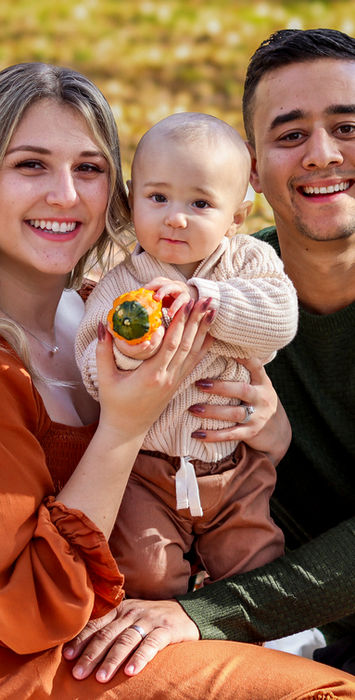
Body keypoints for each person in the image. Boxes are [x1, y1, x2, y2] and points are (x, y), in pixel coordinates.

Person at [2, 60, 350, 700]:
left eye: (88, 168)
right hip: (62, 643)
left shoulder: (222, 276)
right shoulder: (109, 304)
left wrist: (271, 435)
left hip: (214, 526)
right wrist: (125, 417)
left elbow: (272, 316)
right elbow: (27, 612)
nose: (66, 194)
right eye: (29, 164)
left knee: (255, 558)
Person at [75, 112, 298, 599]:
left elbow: (280, 320)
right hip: (146, 470)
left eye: (200, 202)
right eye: (158, 198)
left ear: (237, 217)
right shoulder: (121, 285)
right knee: (145, 570)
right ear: (134, 198)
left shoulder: (246, 262)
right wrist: (130, 352)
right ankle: (168, 626)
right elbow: (90, 365)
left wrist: (209, 300)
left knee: (254, 558)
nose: (175, 216)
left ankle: (277, 641)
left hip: (235, 466)